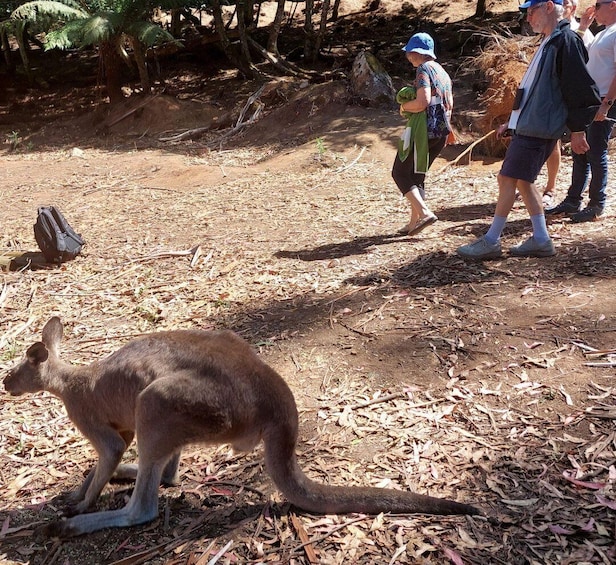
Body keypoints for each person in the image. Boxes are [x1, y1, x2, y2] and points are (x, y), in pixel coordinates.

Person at [457, 0, 600, 260]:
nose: (528, 18)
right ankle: (541, 239)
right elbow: (532, 91)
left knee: (507, 179)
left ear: (548, 6)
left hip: (539, 129)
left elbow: (581, 88)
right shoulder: (549, 41)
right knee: (523, 181)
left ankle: (491, 240)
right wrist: (513, 123)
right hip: (531, 126)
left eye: (531, 11)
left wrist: (579, 130)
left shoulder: (565, 40)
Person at [545, 0, 616, 222]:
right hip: (592, 102)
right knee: (580, 151)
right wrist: (584, 24)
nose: (594, 7)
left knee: (596, 153)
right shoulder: (604, 33)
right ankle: (573, 200)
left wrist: (607, 103)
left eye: (598, 4)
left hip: (604, 101)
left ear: (612, 5)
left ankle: (596, 204)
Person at [392, 32, 453, 236]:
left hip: (424, 132)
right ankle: (414, 223)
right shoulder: (442, 72)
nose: (408, 57)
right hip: (440, 132)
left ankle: (425, 212)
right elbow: (450, 104)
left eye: (410, 53)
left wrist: (404, 108)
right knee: (417, 175)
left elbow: (422, 102)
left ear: (418, 53)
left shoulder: (423, 69)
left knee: (400, 172)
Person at [541, 0, 593, 205]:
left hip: (568, 98)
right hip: (551, 97)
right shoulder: (550, 32)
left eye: (569, 1)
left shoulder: (578, 33)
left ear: (573, 8)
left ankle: (553, 189)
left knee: (559, 143)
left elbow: (580, 67)